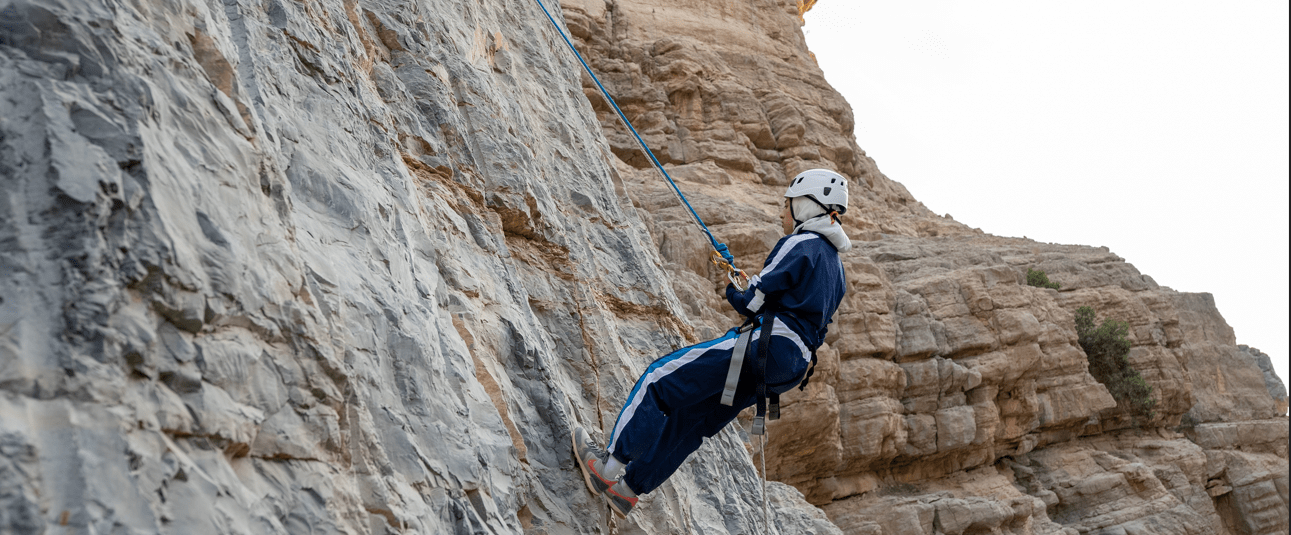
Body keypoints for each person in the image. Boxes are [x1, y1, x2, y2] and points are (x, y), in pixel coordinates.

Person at [572, 168, 853, 517]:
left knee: (661, 380)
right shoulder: (837, 268)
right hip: (788, 368)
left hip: (768, 345)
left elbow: (752, 301)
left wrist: (732, 289)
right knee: (692, 420)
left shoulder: (801, 243)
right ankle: (627, 491)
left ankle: (606, 470)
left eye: (788, 205)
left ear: (807, 206)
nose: (783, 212)